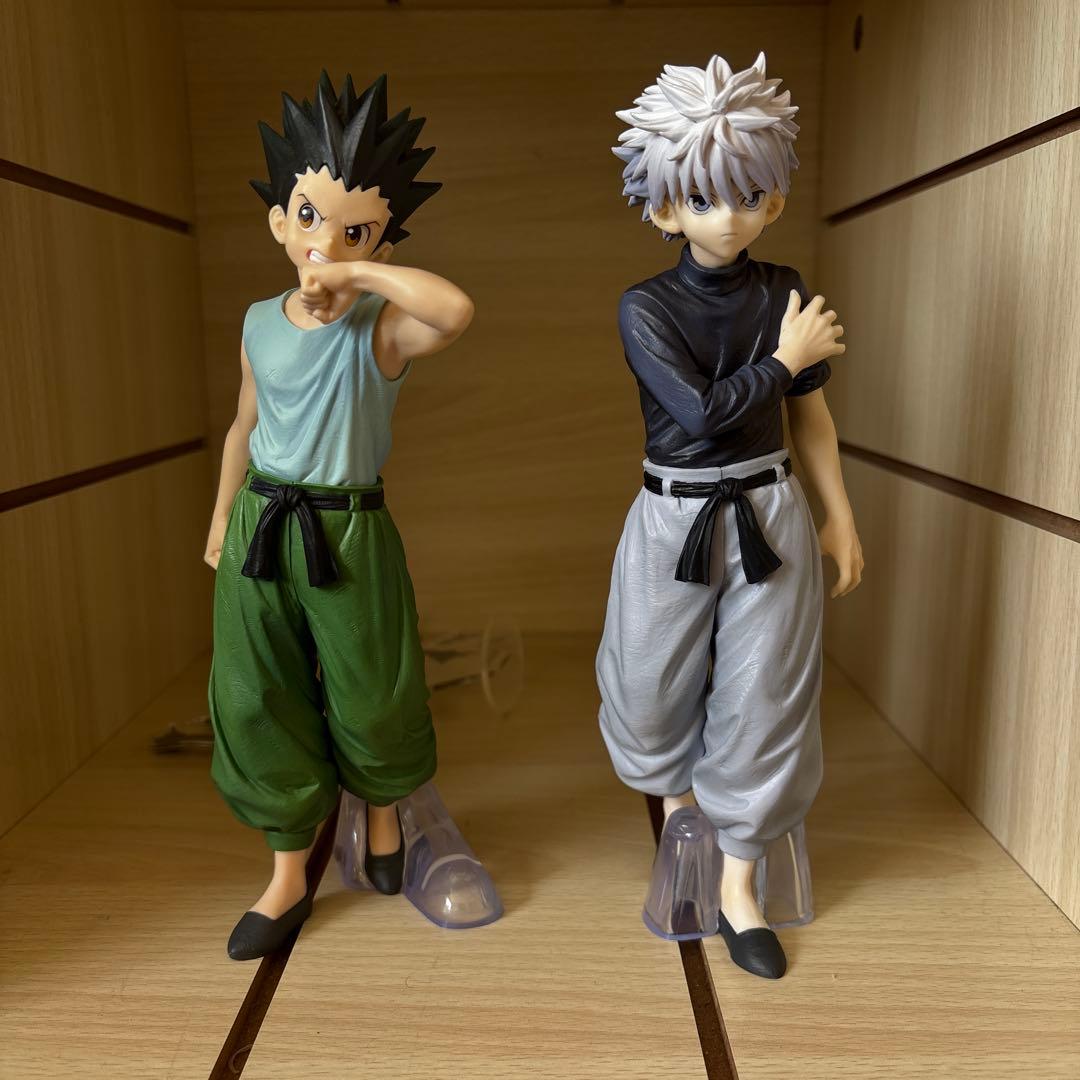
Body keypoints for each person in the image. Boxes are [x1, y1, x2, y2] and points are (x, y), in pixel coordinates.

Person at [598, 52, 864, 979]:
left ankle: (741, 886)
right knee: (646, 686)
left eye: (750, 194)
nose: (731, 215)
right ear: (665, 210)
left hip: (769, 508)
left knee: (766, 693)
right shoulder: (645, 307)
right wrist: (784, 361)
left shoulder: (783, 290)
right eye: (705, 197)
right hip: (671, 518)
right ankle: (685, 831)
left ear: (775, 198)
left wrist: (838, 516)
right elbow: (702, 412)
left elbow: (809, 416)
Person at [203, 71, 474, 960]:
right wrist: (220, 519)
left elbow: (456, 310)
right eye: (310, 218)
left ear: (383, 241)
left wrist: (355, 274)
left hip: (348, 529)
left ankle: (384, 811)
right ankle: (289, 871)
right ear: (280, 222)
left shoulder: (381, 328)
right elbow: (244, 423)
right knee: (256, 693)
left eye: (356, 229)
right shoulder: (258, 321)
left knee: (374, 683)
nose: (324, 241)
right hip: (260, 525)